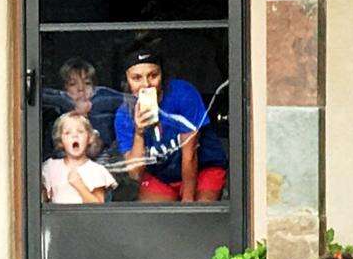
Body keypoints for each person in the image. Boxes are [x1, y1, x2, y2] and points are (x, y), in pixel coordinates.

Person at [113, 48, 227, 203]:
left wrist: (187, 202)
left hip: (203, 167)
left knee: (200, 217)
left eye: (153, 75)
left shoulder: (182, 94)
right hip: (160, 176)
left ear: (163, 75)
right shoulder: (124, 114)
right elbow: (135, 174)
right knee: (158, 220)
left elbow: (190, 155)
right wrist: (139, 133)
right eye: (137, 78)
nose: (146, 84)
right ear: (126, 81)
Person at [41, 58, 121, 160]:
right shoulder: (56, 114)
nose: (81, 88)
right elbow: (38, 94)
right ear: (64, 89)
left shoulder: (103, 110)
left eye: (87, 83)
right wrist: (71, 106)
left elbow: (125, 99)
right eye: (73, 84)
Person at [42, 113, 117, 204]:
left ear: (89, 138)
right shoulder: (51, 167)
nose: (75, 136)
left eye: (80, 132)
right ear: (60, 141)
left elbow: (98, 207)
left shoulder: (96, 170)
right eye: (67, 133)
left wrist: (79, 185)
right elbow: (42, 201)